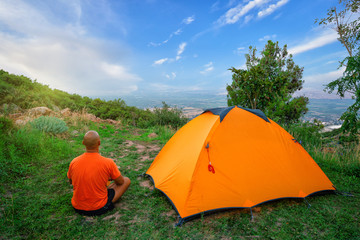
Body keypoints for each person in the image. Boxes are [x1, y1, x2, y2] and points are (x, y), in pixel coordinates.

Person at [67, 130, 130, 216]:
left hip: (77, 207)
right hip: (98, 208)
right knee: (126, 180)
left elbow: (71, 181)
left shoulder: (74, 162)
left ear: (83, 143)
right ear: (99, 143)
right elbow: (121, 182)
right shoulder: (108, 162)